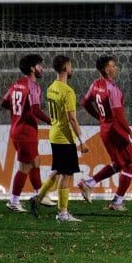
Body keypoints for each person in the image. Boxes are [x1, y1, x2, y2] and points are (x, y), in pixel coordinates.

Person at [30, 55, 89, 221]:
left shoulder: (51, 88)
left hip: (54, 133)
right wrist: (82, 141)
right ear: (65, 69)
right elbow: (72, 118)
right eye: (70, 66)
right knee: (66, 174)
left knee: (58, 171)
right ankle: (62, 213)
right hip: (64, 136)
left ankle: (37, 198)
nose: (71, 69)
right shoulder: (68, 91)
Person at [78, 55, 132, 211]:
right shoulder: (112, 88)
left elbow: (84, 103)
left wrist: (99, 116)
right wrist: (130, 132)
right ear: (106, 69)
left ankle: (89, 183)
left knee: (119, 164)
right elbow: (118, 115)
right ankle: (117, 202)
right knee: (130, 165)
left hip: (105, 130)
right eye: (113, 65)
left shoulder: (95, 85)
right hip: (116, 129)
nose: (116, 68)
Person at [0, 54, 51, 213]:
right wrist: (51, 121)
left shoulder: (16, 84)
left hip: (17, 129)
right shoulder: (33, 86)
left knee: (35, 161)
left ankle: (39, 194)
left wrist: (19, 112)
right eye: (39, 65)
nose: (41, 68)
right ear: (32, 68)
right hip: (26, 132)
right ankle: (14, 201)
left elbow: (4, 102)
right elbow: (35, 109)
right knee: (25, 167)